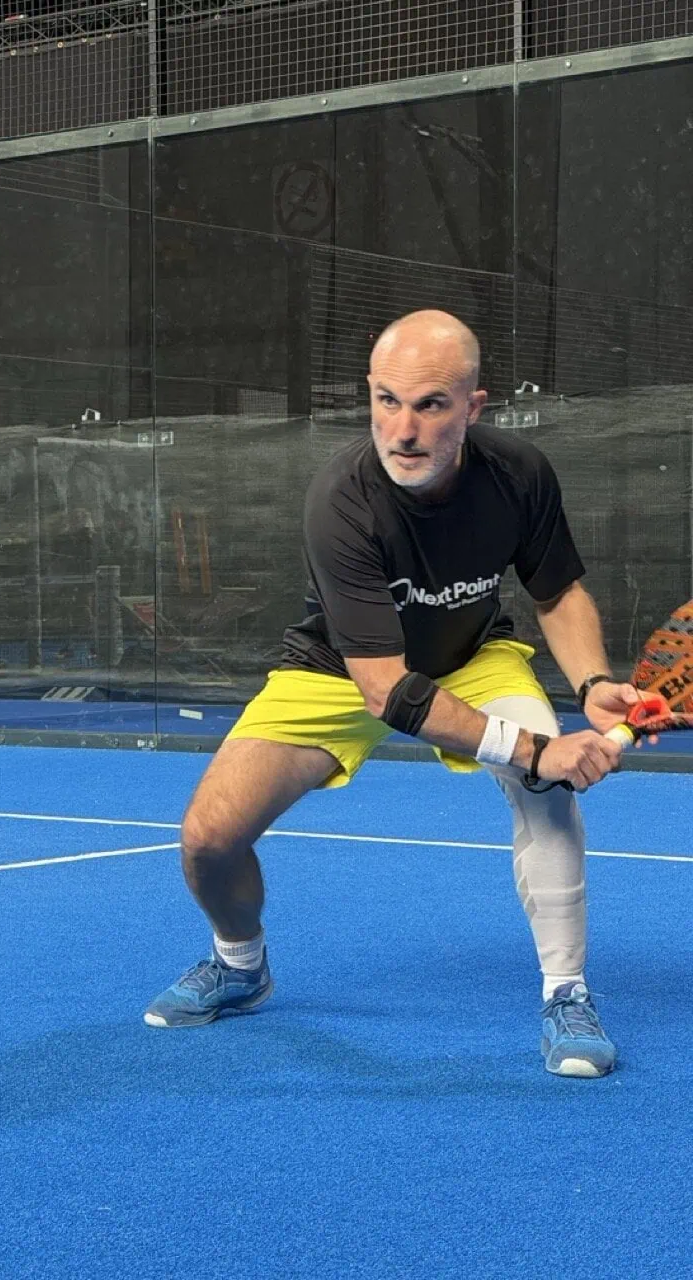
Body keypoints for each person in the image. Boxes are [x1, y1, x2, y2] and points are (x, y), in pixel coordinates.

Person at [144, 309, 640, 1077]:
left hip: (472, 657)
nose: (403, 430)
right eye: (386, 401)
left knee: (543, 792)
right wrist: (537, 748)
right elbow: (388, 692)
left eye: (430, 405)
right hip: (341, 672)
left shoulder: (519, 474)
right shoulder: (341, 500)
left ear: (473, 407)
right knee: (209, 839)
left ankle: (566, 993)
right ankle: (240, 964)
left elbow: (558, 593)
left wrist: (595, 683)